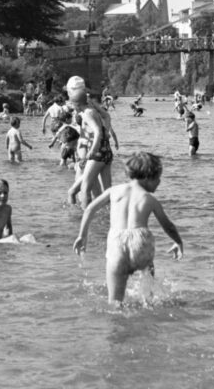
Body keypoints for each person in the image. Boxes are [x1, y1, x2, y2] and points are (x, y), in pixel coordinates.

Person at [73, 151, 184, 305]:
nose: (159, 182)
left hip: (116, 243)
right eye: (157, 178)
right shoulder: (149, 199)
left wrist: (82, 236)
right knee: (148, 279)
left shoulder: (114, 191)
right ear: (147, 177)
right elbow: (168, 226)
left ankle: (118, 317)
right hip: (141, 242)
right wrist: (178, 242)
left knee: (114, 301)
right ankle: (149, 301)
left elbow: (90, 209)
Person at [66, 79, 119, 209]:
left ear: (77, 104)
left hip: (98, 153)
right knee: (107, 190)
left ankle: (86, 215)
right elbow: (107, 116)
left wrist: (92, 151)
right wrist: (95, 105)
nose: (71, 107)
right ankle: (109, 215)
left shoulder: (86, 114)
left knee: (85, 188)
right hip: (107, 152)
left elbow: (97, 132)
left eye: (72, 104)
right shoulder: (92, 110)